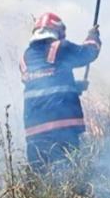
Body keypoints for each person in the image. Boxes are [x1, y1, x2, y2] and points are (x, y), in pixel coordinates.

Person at [20, 12, 101, 173]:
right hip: (62, 131)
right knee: (68, 176)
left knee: (41, 180)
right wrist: (93, 36)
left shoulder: (26, 58)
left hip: (35, 135)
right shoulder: (60, 48)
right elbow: (89, 53)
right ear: (58, 32)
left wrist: (74, 87)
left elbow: (43, 84)